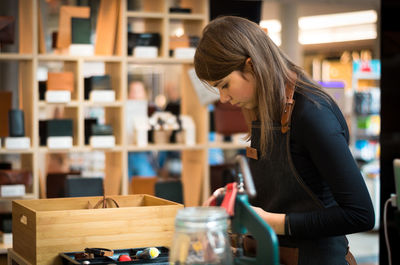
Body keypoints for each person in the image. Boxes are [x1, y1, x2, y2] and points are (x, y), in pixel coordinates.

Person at [195, 16, 375, 265]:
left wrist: (271, 223)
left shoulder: (312, 114)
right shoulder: (264, 109)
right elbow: (281, 189)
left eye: (225, 85)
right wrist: (232, 197)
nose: (224, 98)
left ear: (251, 66)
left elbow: (360, 215)